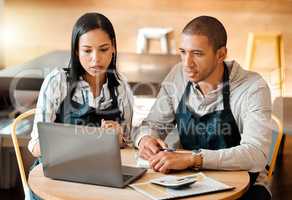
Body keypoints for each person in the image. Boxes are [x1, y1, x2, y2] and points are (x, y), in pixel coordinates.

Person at [135, 16, 272, 199]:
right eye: (183, 52)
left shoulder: (253, 87)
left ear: (221, 54)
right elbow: (152, 123)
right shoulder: (178, 75)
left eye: (197, 54)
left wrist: (194, 158)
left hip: (245, 187)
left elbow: (256, 154)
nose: (187, 63)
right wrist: (145, 139)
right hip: (188, 183)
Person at [28, 12, 133, 158]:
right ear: (76, 51)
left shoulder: (120, 85)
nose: (96, 59)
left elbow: (127, 143)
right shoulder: (57, 81)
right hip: (61, 170)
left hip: (101, 170)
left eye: (103, 49)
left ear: (113, 47)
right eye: (87, 50)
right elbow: (35, 146)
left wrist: (118, 138)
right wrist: (85, 143)